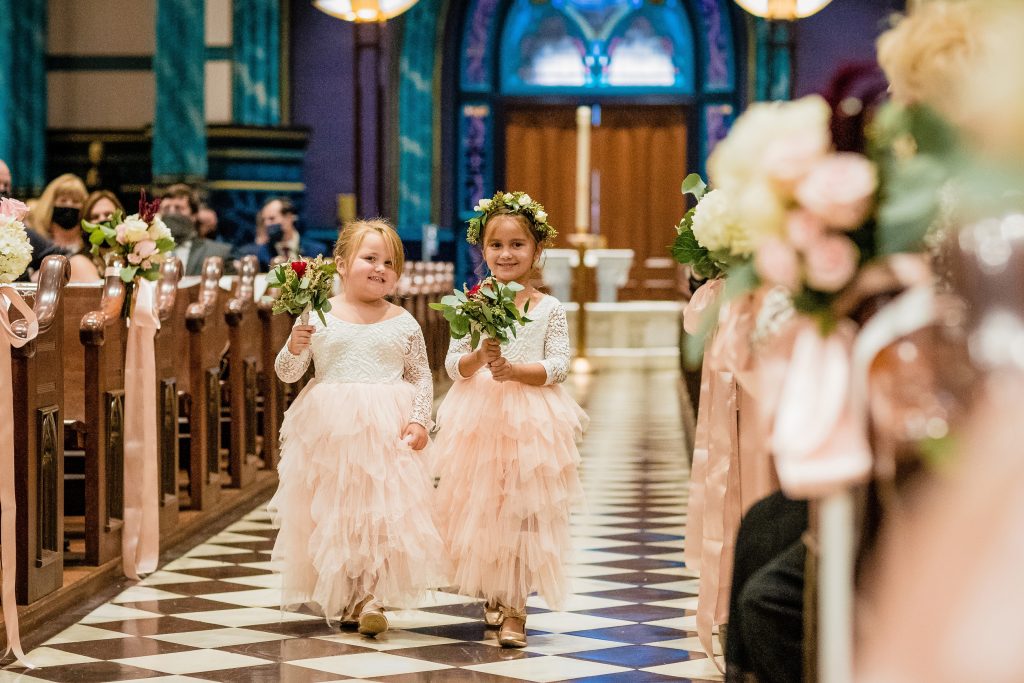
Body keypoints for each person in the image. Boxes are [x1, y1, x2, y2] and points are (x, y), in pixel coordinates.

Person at [268, 218, 443, 637]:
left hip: (389, 426)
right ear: (341, 264)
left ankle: (372, 596)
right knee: (337, 511)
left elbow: (420, 374)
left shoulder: (403, 320)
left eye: (390, 262)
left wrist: (421, 418)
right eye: (370, 259)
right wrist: (294, 345)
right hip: (331, 428)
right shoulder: (320, 313)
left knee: (381, 513)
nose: (380, 268)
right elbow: (289, 373)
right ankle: (349, 593)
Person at [431, 191, 587, 648]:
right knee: (484, 506)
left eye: (517, 244)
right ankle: (494, 593)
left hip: (530, 418)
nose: (506, 254)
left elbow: (559, 365)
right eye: (496, 245)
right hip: (479, 415)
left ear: (538, 250)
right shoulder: (470, 304)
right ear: (483, 250)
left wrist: (517, 371)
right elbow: (452, 365)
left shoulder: (549, 308)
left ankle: (516, 605)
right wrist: (481, 356)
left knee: (522, 509)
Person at [24, 173, 100, 282]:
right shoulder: (35, 244)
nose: (69, 205)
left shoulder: (91, 246)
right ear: (50, 205)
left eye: (76, 201)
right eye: (63, 200)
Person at [236, 196, 330, 270]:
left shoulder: (317, 251)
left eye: (272, 219)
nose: (267, 224)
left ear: (289, 218)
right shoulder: (262, 254)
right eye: (264, 220)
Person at [160, 183, 232, 276]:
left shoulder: (219, 253)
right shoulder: (144, 254)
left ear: (194, 215)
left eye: (178, 208)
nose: (172, 212)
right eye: (166, 208)